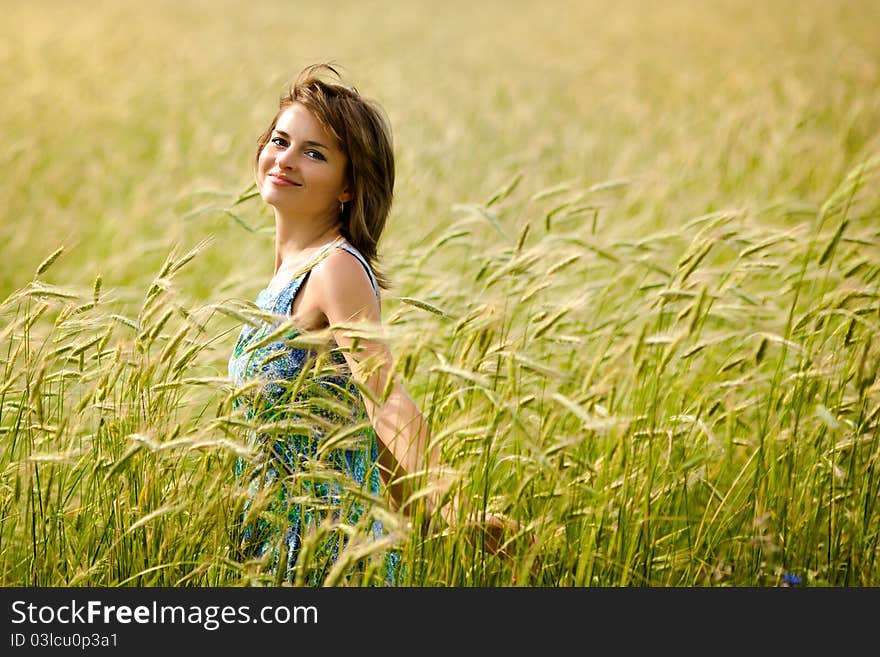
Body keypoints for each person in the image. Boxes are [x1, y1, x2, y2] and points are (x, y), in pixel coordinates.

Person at [227, 63, 504, 585]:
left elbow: (385, 399)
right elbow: (355, 423)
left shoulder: (335, 267)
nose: (285, 159)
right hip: (277, 541)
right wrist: (421, 518)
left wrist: (455, 509)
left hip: (324, 550)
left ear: (348, 188)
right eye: (280, 140)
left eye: (314, 153)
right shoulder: (290, 269)